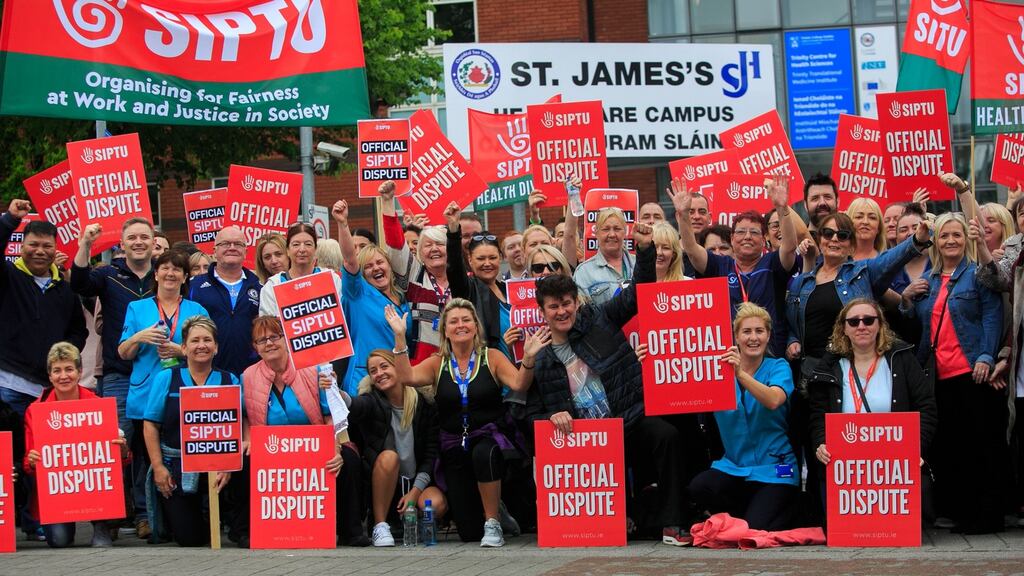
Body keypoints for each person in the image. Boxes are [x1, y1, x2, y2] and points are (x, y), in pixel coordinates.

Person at [522, 222, 692, 545]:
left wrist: (644, 251)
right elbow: (529, 415)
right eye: (554, 306)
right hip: (587, 442)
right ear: (542, 311)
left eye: (567, 303)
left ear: (577, 301)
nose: (562, 312)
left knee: (667, 436)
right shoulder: (540, 356)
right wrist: (551, 417)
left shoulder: (599, 317)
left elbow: (636, 295)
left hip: (628, 418)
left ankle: (674, 524)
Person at [386, 299, 526, 546]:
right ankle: (493, 511)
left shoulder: (491, 356)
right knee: (470, 533)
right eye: (454, 321)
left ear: (475, 326)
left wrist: (530, 359)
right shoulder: (437, 362)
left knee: (484, 453)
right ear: (445, 330)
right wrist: (399, 337)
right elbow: (406, 376)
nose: (460, 325)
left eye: (466, 320)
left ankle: (492, 521)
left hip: (489, 438)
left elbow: (519, 384)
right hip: (453, 445)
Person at [900, 211, 1005, 533]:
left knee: (981, 447)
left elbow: (992, 315)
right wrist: (906, 299)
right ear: (935, 241)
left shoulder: (977, 275)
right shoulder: (928, 282)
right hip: (936, 376)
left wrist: (986, 356)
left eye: (956, 235)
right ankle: (961, 513)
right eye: (944, 235)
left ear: (967, 239)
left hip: (972, 372)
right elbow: (917, 324)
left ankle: (987, 517)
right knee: (951, 447)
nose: (950, 241)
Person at [241, 316, 367, 546]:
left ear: (286, 339)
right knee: (244, 459)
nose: (269, 343)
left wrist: (335, 448)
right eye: (262, 340)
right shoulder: (247, 376)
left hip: (313, 448)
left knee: (347, 458)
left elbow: (330, 415)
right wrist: (247, 440)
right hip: (272, 453)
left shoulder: (313, 371)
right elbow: (246, 416)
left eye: (274, 337)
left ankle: (351, 531)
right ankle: (249, 530)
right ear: (255, 347)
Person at [807, 299, 938, 511]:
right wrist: (820, 443)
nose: (861, 326)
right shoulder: (829, 366)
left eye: (869, 320)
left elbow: (926, 407)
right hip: (847, 467)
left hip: (893, 464)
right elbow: (817, 415)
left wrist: (916, 449)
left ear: (880, 325)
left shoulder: (901, 359)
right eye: (853, 322)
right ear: (844, 328)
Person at [71, 217, 156, 538]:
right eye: (132, 237)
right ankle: (108, 518)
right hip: (119, 375)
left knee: (149, 446)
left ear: (152, 241)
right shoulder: (108, 274)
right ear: (122, 243)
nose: (138, 242)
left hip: (156, 373)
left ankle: (146, 515)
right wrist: (86, 244)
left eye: (144, 237)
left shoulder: (162, 272)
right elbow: (78, 283)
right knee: (116, 445)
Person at [687, 304, 798, 531]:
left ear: (768, 336)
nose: (753, 337)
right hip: (734, 468)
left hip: (775, 469)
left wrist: (739, 375)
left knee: (754, 529)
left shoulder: (779, 366)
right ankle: (748, 514)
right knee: (700, 487)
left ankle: (781, 510)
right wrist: (650, 362)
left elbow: (774, 399)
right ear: (736, 337)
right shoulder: (715, 372)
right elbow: (675, 392)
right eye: (747, 331)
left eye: (760, 331)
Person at [142, 317, 240, 547]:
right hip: (177, 467)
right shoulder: (167, 378)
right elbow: (150, 425)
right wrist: (158, 467)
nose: (201, 345)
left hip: (219, 469)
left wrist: (228, 464)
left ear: (216, 347)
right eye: (194, 340)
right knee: (190, 539)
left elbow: (239, 423)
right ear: (183, 347)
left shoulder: (229, 380)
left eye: (207, 340)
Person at [786, 212, 931, 365]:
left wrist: (917, 240)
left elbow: (891, 258)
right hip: (813, 372)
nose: (834, 239)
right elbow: (791, 323)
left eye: (843, 235)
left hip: (855, 367)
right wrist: (792, 341)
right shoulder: (802, 282)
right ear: (820, 240)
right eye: (828, 233)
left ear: (852, 245)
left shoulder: (864, 272)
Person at [675, 175, 797, 356]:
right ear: (732, 239)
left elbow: (789, 246)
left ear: (764, 240)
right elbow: (692, 249)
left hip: (769, 355)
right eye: (741, 232)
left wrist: (782, 208)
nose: (747, 236)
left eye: (754, 232)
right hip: (728, 356)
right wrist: (684, 215)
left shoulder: (772, 263)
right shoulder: (719, 264)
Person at [23, 342, 127, 548]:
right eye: (57, 371)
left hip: (93, 491)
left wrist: (122, 450)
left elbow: (118, 460)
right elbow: (27, 463)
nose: (63, 376)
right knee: (59, 541)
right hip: (57, 494)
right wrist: (33, 461)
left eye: (69, 369)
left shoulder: (98, 406)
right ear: (50, 376)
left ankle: (102, 524)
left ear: (79, 372)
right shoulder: (36, 411)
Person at [348, 349, 446, 547]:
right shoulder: (372, 401)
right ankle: (380, 525)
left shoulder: (424, 404)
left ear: (398, 367)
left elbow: (430, 455)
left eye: (384, 366)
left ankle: (413, 523)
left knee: (435, 503)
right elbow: (353, 405)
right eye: (373, 371)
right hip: (384, 487)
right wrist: (333, 388)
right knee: (389, 457)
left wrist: (415, 493)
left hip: (417, 483)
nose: (379, 373)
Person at [0, 200, 87, 413]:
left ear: (55, 249)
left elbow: (78, 331)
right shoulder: (8, 276)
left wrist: (62, 353)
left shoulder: (66, 290)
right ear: (22, 248)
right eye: (33, 245)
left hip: (48, 393)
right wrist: (10, 219)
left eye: (47, 246)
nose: (40, 251)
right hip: (7, 386)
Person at [334, 199, 412, 395]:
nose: (375, 268)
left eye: (379, 262)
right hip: (364, 382)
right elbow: (350, 260)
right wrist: (343, 224)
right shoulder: (357, 293)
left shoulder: (404, 299)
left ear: (389, 265)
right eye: (368, 266)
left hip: (399, 381)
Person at [378, 181, 450, 364]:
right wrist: (388, 202)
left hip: (458, 366)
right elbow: (396, 244)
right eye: (427, 245)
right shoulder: (415, 275)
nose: (434, 249)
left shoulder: (463, 280)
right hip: (422, 369)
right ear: (419, 252)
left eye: (440, 244)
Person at [187, 226, 262, 377]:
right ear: (214, 251)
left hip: (250, 372)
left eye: (238, 244)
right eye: (226, 244)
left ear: (246, 252)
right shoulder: (193, 285)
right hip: (208, 372)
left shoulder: (259, 287)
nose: (232, 248)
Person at [445, 203, 512, 357]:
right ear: (470, 260)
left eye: (492, 258)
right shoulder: (468, 289)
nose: (487, 263)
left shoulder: (508, 289)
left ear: (500, 258)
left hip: (523, 368)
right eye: (481, 258)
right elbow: (454, 267)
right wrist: (454, 229)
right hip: (489, 369)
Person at [258, 222, 341, 317]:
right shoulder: (272, 286)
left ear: (315, 249)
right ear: (287, 250)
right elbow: (268, 327)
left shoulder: (331, 279)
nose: (302, 249)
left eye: (308, 244)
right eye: (296, 244)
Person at [573, 207, 634, 305]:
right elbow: (582, 314)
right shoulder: (584, 272)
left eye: (617, 229)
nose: (612, 234)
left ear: (625, 232)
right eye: (606, 229)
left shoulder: (639, 265)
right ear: (596, 233)